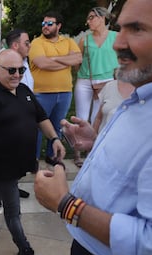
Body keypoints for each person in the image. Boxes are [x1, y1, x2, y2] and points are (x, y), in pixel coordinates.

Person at [34, 1, 152, 255]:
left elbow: (147, 246)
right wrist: (97, 139)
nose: (117, 43)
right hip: (89, 252)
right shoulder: (140, 94)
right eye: (120, 29)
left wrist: (67, 205)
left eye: (137, 29)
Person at [0, 49, 65, 255]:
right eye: (11, 70)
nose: (17, 75)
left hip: (20, 161)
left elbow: (41, 118)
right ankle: (25, 250)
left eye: (21, 70)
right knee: (13, 211)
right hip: (0, 164)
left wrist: (55, 138)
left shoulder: (23, 91)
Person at [29, 11, 82, 165]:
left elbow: (78, 59)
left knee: (57, 127)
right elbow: (42, 63)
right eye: (44, 24)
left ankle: (53, 157)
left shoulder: (68, 41)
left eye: (49, 24)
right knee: (38, 128)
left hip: (65, 93)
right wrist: (66, 60)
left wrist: (55, 58)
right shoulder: (37, 43)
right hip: (41, 93)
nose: (45, 26)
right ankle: (34, 160)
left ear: (58, 26)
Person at [0, 29, 34, 199]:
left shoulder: (25, 64)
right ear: (15, 45)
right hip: (4, 124)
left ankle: (11, 188)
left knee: (16, 160)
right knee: (1, 162)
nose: (29, 46)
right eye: (26, 43)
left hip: (20, 123)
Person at [73, 7, 119, 167]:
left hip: (108, 81)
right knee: (81, 117)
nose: (89, 21)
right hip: (85, 81)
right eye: (88, 18)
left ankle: (92, 150)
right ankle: (77, 152)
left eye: (92, 17)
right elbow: (77, 62)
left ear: (102, 18)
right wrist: (85, 78)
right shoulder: (84, 40)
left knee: (98, 118)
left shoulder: (116, 37)